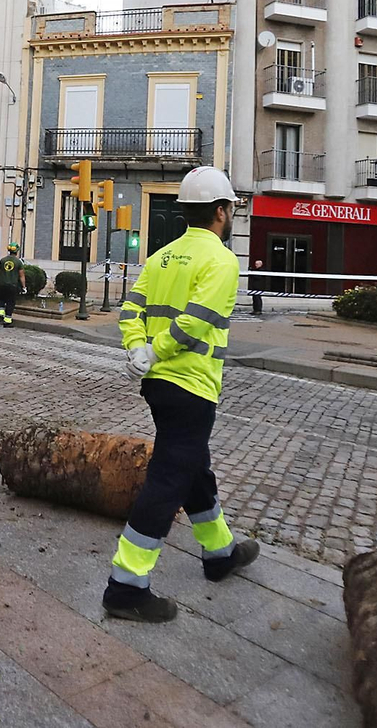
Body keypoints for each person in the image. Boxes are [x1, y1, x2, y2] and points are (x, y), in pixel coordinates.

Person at [105, 166, 259, 623]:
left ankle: (220, 552)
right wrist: (154, 349)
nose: (231, 215)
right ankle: (127, 586)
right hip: (192, 384)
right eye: (231, 208)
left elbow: (130, 308)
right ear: (219, 211)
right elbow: (196, 321)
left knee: (193, 465)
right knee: (170, 475)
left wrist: (138, 348)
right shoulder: (222, 261)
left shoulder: (162, 256)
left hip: (158, 383)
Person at [0, 242, 26, 326]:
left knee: (1, 299)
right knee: (10, 302)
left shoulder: (3, 260)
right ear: (17, 251)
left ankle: (0, 315)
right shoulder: (18, 262)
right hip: (12, 285)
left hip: (2, 284)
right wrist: (24, 286)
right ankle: (7, 320)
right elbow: (21, 275)